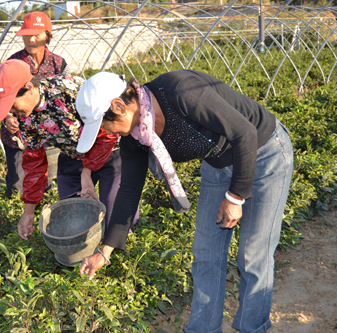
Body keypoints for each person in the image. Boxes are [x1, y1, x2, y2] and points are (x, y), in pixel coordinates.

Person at [76, 71, 293, 333]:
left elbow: (244, 132)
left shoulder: (180, 91)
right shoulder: (136, 136)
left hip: (263, 154)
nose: (104, 132)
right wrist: (104, 252)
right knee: (206, 255)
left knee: (253, 254)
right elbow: (129, 190)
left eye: (103, 124)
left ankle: (252, 327)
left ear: (119, 106)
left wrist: (235, 196)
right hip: (218, 166)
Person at [0, 60, 136, 240]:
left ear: (30, 88)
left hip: (110, 152)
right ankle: (82, 259)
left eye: (11, 104)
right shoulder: (25, 120)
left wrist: (87, 173)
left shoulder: (69, 93)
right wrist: (28, 212)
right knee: (72, 219)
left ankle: (119, 252)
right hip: (74, 157)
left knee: (116, 217)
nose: (11, 111)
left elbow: (107, 133)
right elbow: (34, 163)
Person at [1, 11, 70, 198]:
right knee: (18, 184)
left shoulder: (59, 64)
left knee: (48, 182)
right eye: (27, 35)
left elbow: (66, 98)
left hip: (49, 134)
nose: (31, 39)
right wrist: (7, 116)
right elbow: (1, 97)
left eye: (36, 34)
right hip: (18, 135)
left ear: (47, 36)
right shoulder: (12, 63)